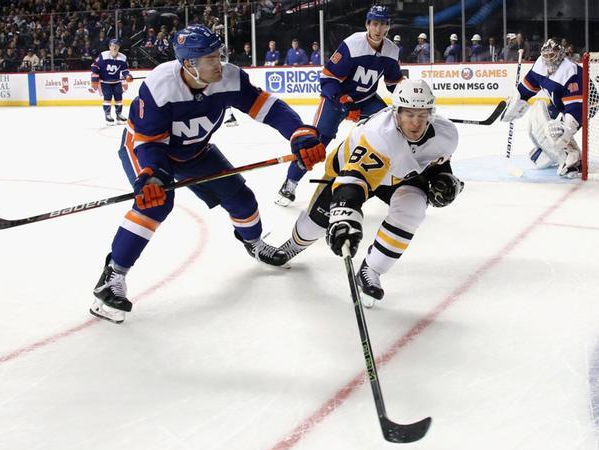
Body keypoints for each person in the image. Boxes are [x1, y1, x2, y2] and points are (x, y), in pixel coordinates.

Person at [89, 25, 326, 323]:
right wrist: (152, 177)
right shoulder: (160, 86)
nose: (220, 62)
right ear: (189, 64)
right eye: (211, 58)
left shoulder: (228, 77)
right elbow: (149, 143)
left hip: (195, 150)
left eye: (219, 54)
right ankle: (113, 275)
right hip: (148, 151)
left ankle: (253, 244)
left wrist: (300, 133)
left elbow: (267, 107)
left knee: (241, 199)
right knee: (156, 202)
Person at [276, 79, 463, 305]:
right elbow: (355, 180)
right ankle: (293, 245)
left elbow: (436, 162)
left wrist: (443, 177)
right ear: (396, 113)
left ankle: (371, 270)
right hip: (347, 171)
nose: (416, 123)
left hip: (399, 175)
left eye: (422, 114)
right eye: (409, 114)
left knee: (413, 206)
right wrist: (345, 214)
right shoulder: (380, 136)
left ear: (431, 114)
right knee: (315, 225)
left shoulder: (446, 135)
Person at [275, 5, 403, 206]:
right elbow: (327, 78)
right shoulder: (352, 44)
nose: (379, 29)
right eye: (375, 24)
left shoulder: (392, 51)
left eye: (384, 24)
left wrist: (410, 99)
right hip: (336, 100)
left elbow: (394, 82)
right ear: (367, 25)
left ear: (388, 27)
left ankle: (389, 184)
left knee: (389, 131)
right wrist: (343, 101)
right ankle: (289, 183)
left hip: (366, 101)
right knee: (314, 144)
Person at [500, 37, 589, 178]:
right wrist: (516, 104)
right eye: (545, 56)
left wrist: (565, 132)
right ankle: (551, 150)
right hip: (559, 103)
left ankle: (574, 160)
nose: (548, 59)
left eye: (551, 55)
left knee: (556, 131)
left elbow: (575, 109)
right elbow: (527, 88)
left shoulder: (570, 72)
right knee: (536, 120)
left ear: (560, 54)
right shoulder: (540, 64)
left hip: (585, 103)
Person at [90, 38, 133, 125]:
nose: (114, 48)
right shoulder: (103, 55)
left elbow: (125, 70)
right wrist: (94, 79)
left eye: (116, 46)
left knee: (119, 98)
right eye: (113, 46)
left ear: (119, 47)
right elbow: (95, 66)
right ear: (109, 47)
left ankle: (119, 114)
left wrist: (128, 76)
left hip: (117, 82)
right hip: (105, 82)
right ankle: (108, 115)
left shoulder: (123, 57)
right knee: (107, 97)